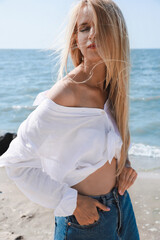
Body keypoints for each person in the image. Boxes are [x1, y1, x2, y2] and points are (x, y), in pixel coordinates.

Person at [0, 0, 140, 239]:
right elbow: (16, 162)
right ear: (76, 38)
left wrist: (124, 166)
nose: (92, 34)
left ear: (117, 33)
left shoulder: (112, 89)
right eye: (84, 27)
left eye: (102, 25)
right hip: (85, 220)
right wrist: (72, 202)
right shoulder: (66, 93)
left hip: (121, 206)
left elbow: (110, 142)